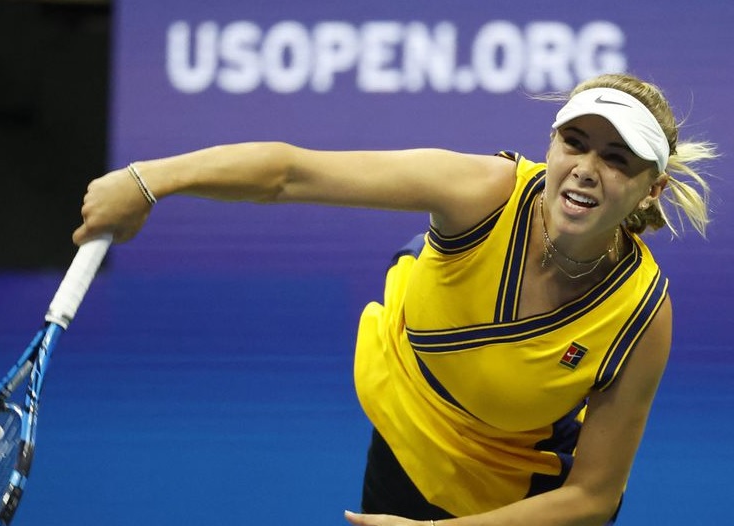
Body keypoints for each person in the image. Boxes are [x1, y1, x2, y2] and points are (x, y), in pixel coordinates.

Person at [73, 73, 717, 525]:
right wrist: (148, 179)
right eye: (574, 142)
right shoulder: (483, 189)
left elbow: (592, 498)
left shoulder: (641, 311)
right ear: (550, 145)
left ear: (651, 189)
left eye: (617, 159)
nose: (586, 167)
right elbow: (291, 173)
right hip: (412, 415)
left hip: (518, 485)